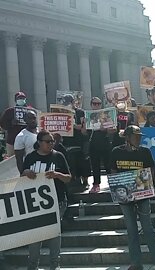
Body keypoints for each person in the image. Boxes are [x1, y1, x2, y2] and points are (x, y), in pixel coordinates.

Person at [110, 125, 155, 270]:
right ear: (127, 137)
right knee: (131, 229)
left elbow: (152, 172)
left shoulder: (145, 152)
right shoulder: (116, 152)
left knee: (148, 228)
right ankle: (136, 263)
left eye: (140, 136)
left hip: (142, 195)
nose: (139, 138)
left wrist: (150, 184)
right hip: (125, 197)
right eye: (136, 136)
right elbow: (112, 173)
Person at [22, 130, 71, 270]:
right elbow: (21, 179)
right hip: (35, 204)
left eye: (52, 141)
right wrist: (25, 173)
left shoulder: (58, 156)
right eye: (48, 141)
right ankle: (32, 266)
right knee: (35, 235)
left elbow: (68, 178)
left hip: (57, 201)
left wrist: (57, 175)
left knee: (54, 233)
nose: (51, 144)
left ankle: (55, 265)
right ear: (39, 142)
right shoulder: (30, 158)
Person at [61, 94, 91, 188]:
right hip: (67, 140)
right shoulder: (62, 113)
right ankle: (73, 180)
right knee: (71, 161)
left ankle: (85, 180)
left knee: (82, 160)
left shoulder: (80, 112)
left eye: (69, 103)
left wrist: (72, 124)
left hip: (79, 140)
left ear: (73, 102)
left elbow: (83, 127)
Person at [88, 97, 114, 193]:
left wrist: (106, 129)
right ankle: (96, 184)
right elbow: (83, 132)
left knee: (108, 164)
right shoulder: (87, 116)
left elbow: (112, 130)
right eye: (94, 103)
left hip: (105, 141)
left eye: (98, 103)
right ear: (91, 105)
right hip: (93, 142)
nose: (97, 105)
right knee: (95, 164)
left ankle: (112, 183)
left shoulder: (106, 115)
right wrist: (84, 124)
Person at [0, 91, 31, 157]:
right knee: (12, 161)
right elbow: (2, 125)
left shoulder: (30, 111)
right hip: (12, 141)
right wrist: (11, 123)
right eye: (19, 98)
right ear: (15, 100)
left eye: (23, 98)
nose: (21, 100)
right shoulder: (9, 111)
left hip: (27, 140)